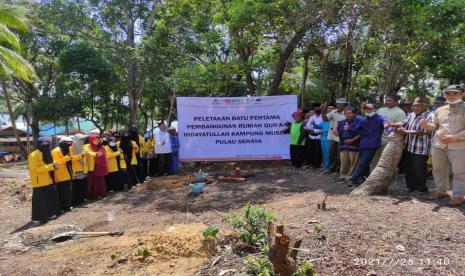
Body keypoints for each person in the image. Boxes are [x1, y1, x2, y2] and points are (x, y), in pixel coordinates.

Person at [420, 85, 465, 206]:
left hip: (459, 145)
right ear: (445, 95)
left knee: (460, 172)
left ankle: (458, 196)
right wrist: (425, 125)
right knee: (438, 168)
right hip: (439, 144)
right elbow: (434, 126)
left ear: (462, 94)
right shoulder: (440, 110)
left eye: (455, 93)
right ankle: (441, 191)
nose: (451, 96)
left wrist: (454, 137)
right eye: (448, 93)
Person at [346, 103, 389, 187]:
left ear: (375, 109)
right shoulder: (363, 120)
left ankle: (353, 179)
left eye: (370, 109)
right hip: (363, 144)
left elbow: (387, 125)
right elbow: (356, 130)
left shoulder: (381, 118)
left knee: (363, 163)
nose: (368, 110)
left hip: (373, 144)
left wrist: (390, 131)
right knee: (364, 163)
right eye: (367, 109)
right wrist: (349, 127)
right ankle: (364, 178)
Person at [395, 97, 432, 193]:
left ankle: (421, 188)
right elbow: (404, 123)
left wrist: (405, 131)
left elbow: (424, 132)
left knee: (419, 169)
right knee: (409, 168)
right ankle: (410, 186)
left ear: (425, 105)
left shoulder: (430, 116)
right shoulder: (411, 115)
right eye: (414, 105)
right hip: (409, 146)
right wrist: (393, 125)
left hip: (421, 148)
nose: (415, 107)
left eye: (418, 105)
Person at [28, 137, 60, 224]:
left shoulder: (49, 154)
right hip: (40, 182)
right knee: (40, 201)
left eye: (47, 144)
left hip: (50, 180)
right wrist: (51, 166)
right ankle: (38, 218)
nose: (46, 146)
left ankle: (50, 214)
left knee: (50, 198)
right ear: (38, 145)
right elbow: (35, 169)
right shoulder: (33, 155)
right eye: (43, 144)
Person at [371, 94, 407, 168]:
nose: (387, 102)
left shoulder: (400, 113)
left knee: (386, 161)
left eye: (389, 100)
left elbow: (401, 127)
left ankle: (385, 178)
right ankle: (373, 176)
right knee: (375, 159)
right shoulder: (381, 110)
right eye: (386, 100)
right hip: (376, 138)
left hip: (389, 140)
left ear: (396, 102)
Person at [336, 107, 362, 181]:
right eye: (346, 113)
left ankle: (351, 177)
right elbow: (338, 132)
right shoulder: (341, 122)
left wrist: (352, 140)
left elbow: (361, 133)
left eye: (349, 113)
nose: (347, 114)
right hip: (343, 145)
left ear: (354, 114)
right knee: (344, 161)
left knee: (354, 162)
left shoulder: (359, 121)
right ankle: (343, 176)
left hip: (354, 145)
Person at [323, 98, 348, 173]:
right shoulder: (333, 112)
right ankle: (331, 169)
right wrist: (323, 111)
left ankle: (338, 170)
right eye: (337, 104)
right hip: (332, 136)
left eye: (340, 104)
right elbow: (325, 119)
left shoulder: (347, 113)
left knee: (339, 154)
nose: (338, 105)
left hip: (342, 137)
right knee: (331, 153)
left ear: (344, 105)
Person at [51, 137, 74, 212]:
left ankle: (67, 206)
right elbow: (56, 163)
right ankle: (61, 208)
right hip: (60, 176)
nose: (69, 144)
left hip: (67, 174)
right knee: (62, 193)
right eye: (67, 143)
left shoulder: (67, 150)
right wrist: (66, 158)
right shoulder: (56, 151)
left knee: (68, 192)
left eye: (70, 143)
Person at [85, 134, 108, 199]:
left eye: (98, 140)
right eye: (95, 140)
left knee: (100, 181)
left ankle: (101, 193)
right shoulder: (87, 146)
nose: (97, 141)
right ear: (91, 140)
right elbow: (88, 152)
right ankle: (92, 195)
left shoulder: (101, 147)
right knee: (91, 182)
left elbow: (103, 154)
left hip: (100, 166)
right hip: (91, 167)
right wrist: (95, 154)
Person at [70, 134, 87, 205]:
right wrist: (81, 156)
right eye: (80, 139)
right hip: (75, 170)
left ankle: (81, 199)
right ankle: (75, 201)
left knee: (82, 186)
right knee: (75, 187)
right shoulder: (70, 148)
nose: (82, 141)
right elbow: (70, 159)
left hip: (82, 169)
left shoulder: (82, 148)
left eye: (83, 139)